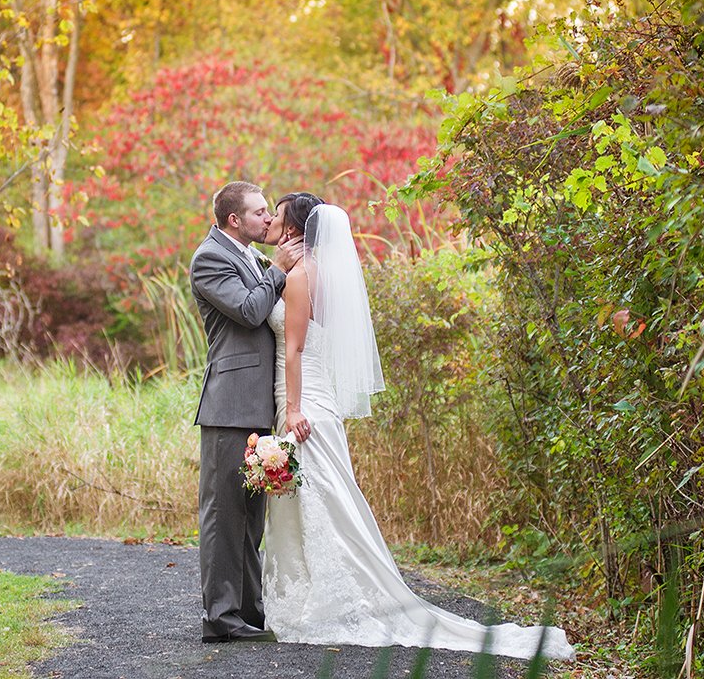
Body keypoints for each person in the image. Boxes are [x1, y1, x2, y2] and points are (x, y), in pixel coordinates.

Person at [257, 192, 576, 662]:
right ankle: (311, 597)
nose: (270, 220)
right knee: (316, 497)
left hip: (305, 402)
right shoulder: (313, 270)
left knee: (320, 497)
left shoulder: (301, 275)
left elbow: (297, 349)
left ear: (292, 229)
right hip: (308, 395)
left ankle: (328, 600)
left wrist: (295, 410)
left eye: (277, 215)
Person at [188, 181, 303, 643]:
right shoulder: (209, 258)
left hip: (260, 402)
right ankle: (220, 618)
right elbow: (250, 311)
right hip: (229, 404)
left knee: (252, 516)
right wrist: (277, 270)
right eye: (259, 213)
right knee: (224, 514)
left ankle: (250, 610)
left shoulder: (249, 256)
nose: (268, 220)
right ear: (234, 219)